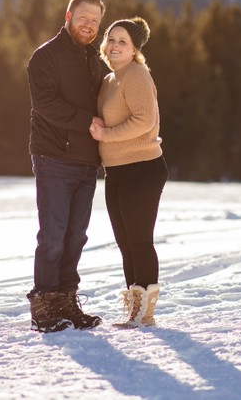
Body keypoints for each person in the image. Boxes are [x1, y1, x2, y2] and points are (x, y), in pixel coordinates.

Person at [26, 0, 108, 333]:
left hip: (87, 161)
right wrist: (86, 122)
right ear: (68, 16)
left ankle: (66, 300)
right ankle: (44, 304)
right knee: (54, 236)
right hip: (54, 158)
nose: (88, 25)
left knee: (76, 236)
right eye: (83, 17)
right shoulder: (45, 56)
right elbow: (45, 103)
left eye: (94, 20)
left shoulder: (95, 59)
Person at [89, 17, 168, 328]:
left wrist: (106, 135)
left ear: (135, 49)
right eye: (111, 39)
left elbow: (144, 120)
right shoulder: (110, 79)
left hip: (142, 167)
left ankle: (144, 313)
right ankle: (135, 307)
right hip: (117, 169)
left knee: (139, 240)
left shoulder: (136, 74)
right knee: (125, 241)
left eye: (123, 41)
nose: (114, 45)